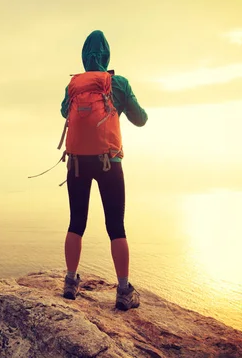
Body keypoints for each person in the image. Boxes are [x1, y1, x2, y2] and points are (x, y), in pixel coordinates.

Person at [60, 30, 148, 311]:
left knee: (77, 221)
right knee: (115, 225)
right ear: (107, 56)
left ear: (84, 58)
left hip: (76, 162)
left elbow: (65, 113)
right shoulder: (117, 84)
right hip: (110, 162)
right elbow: (141, 119)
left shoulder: (74, 86)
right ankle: (123, 290)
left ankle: (71, 282)